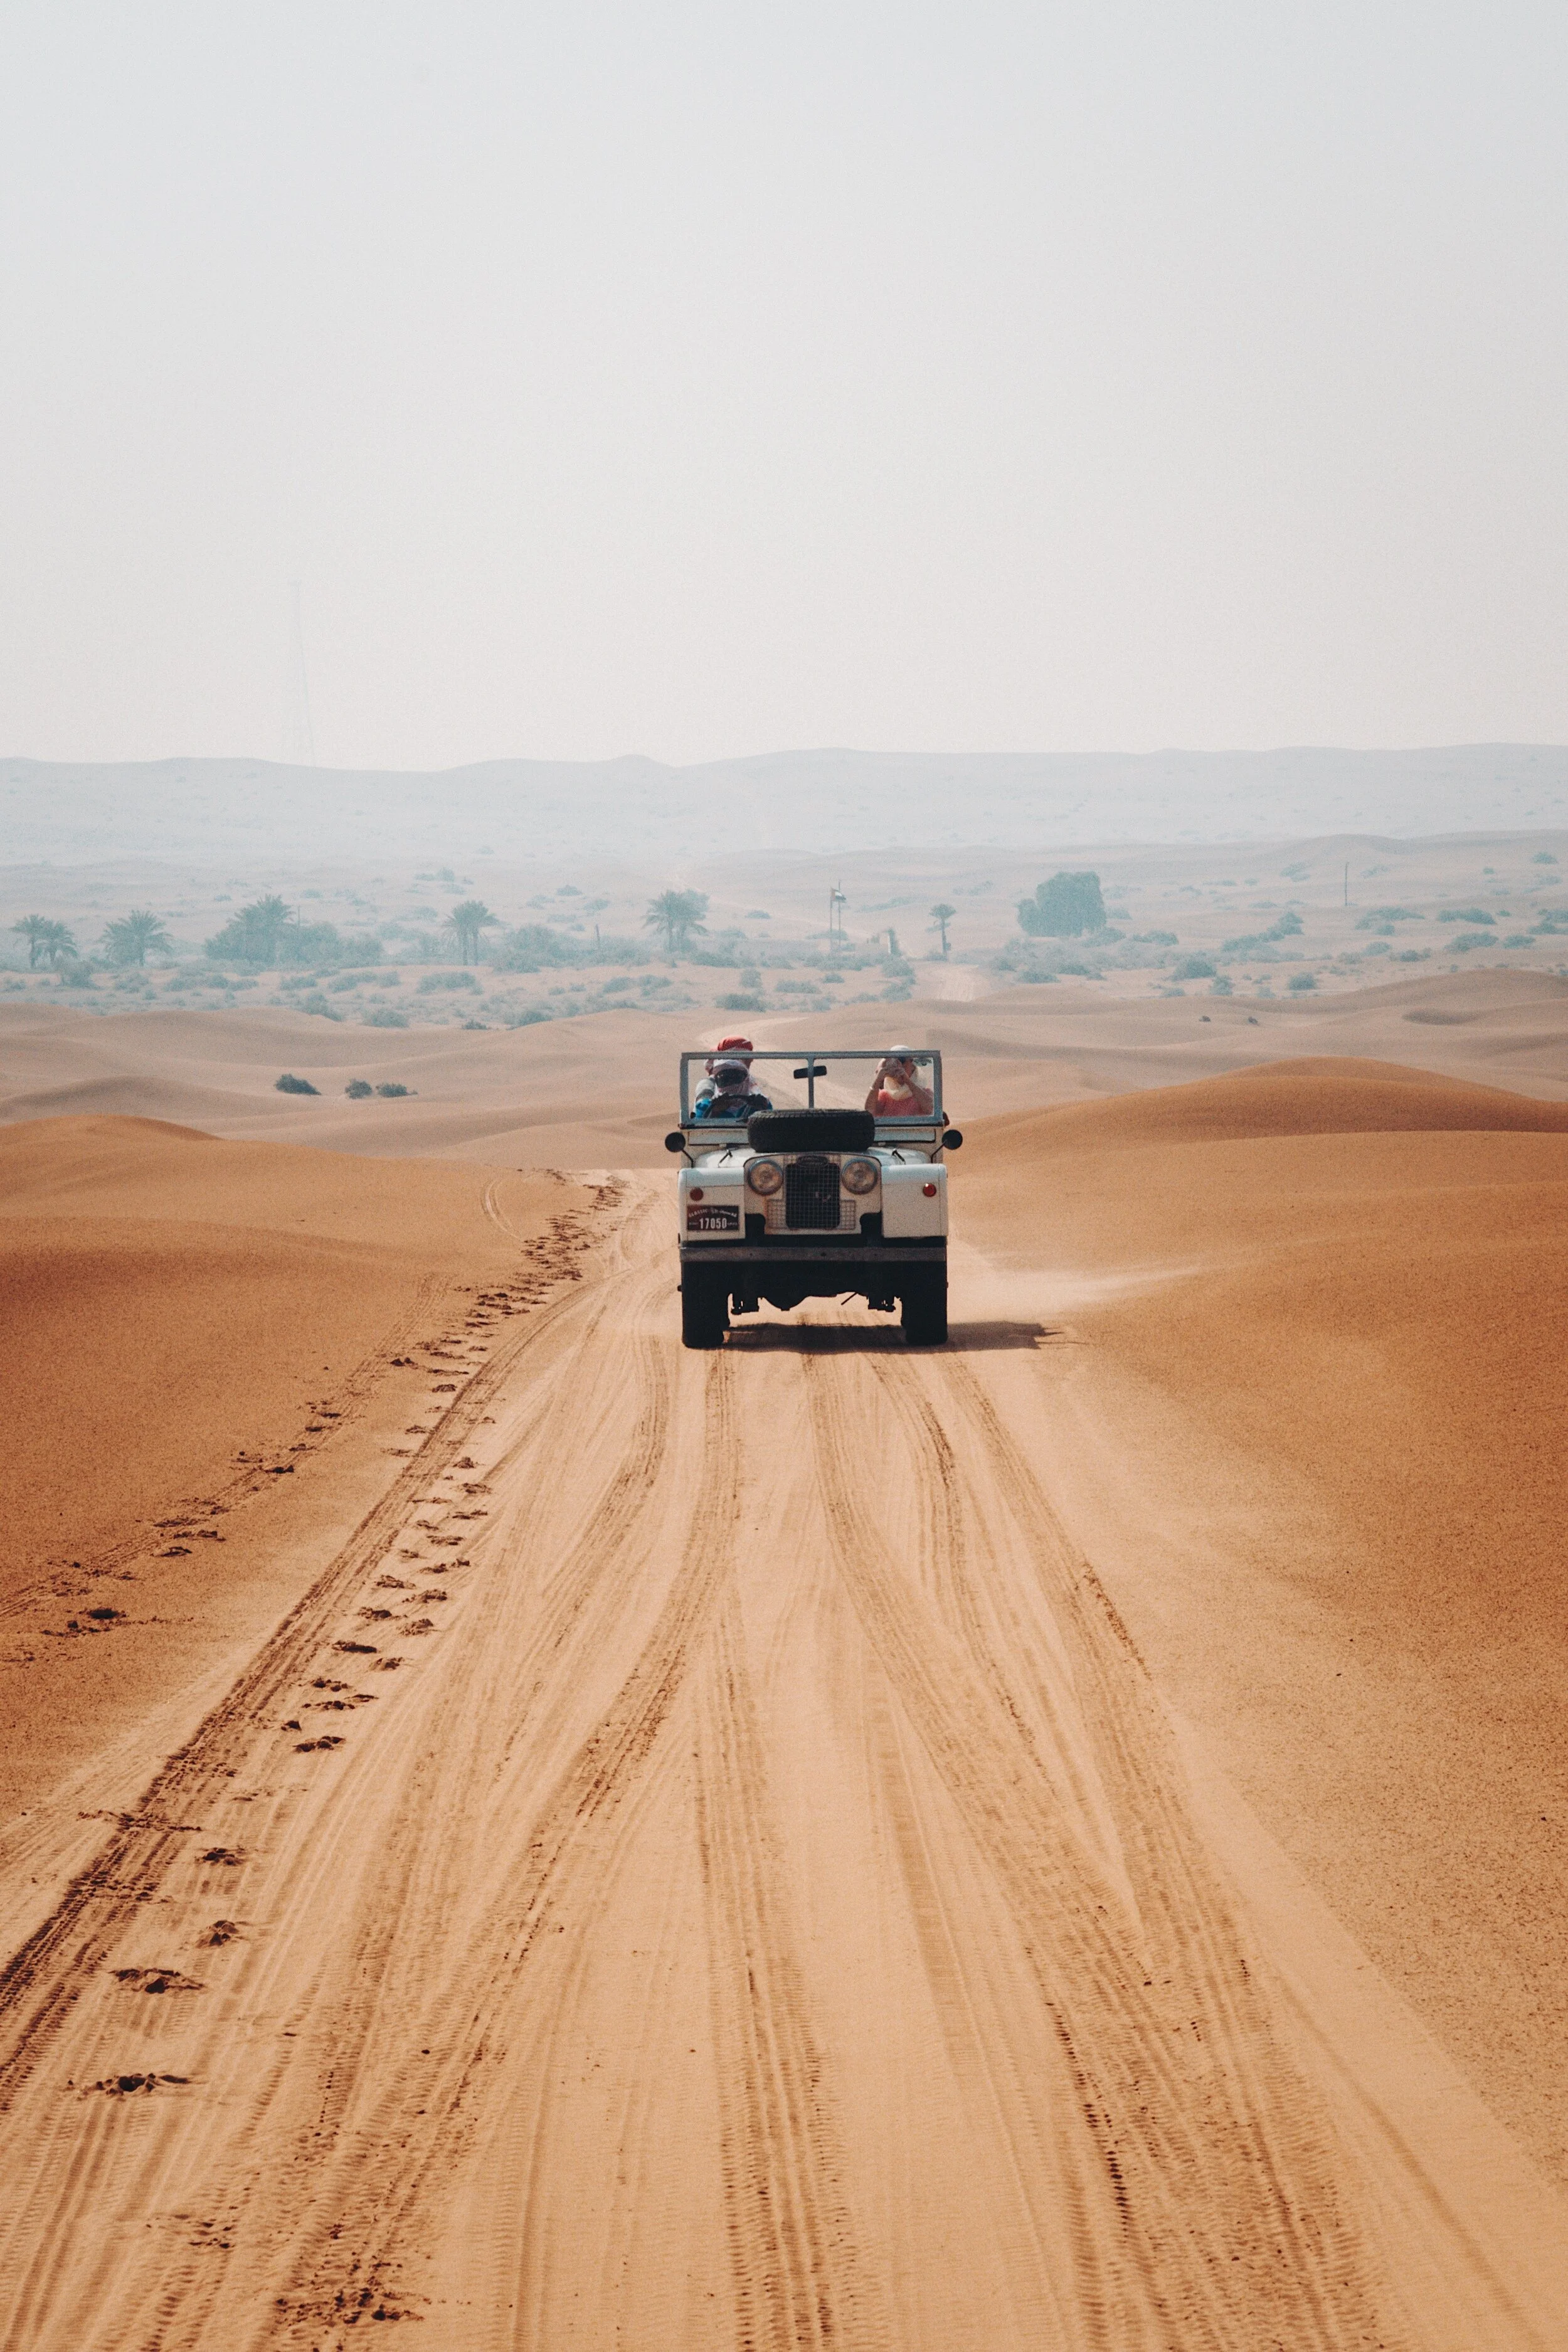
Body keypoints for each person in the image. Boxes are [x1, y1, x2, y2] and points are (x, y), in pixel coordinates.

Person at [694, 1042, 773, 1120]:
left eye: (736, 1077)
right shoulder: (705, 1106)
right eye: (724, 1078)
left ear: (746, 1080)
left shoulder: (759, 1103)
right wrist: (715, 1111)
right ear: (717, 1082)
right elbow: (699, 1126)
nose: (730, 1083)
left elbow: (772, 1125)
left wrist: (762, 1111)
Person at [865, 1051, 934, 1118]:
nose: (899, 1066)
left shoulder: (925, 1093)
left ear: (913, 1067)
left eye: (902, 1060)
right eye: (894, 1062)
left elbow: (931, 1109)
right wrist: (878, 1080)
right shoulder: (884, 1096)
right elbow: (869, 1111)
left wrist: (907, 1081)